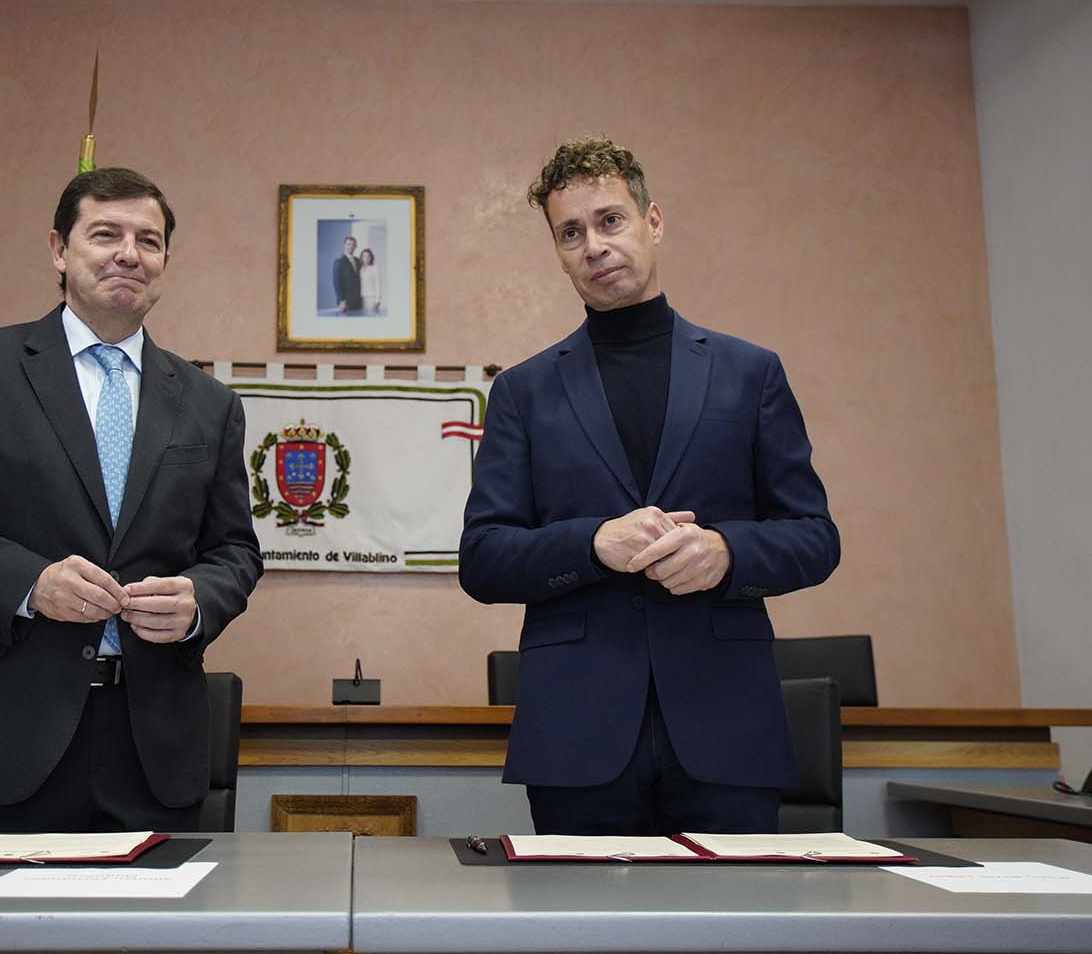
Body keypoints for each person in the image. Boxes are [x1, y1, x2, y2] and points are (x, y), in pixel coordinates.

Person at [459, 135, 840, 836]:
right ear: (558, 251)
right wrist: (592, 545)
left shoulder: (750, 373)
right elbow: (482, 559)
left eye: (610, 220)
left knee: (736, 911)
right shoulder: (521, 392)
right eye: (571, 233)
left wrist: (727, 552)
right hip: (576, 735)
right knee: (578, 913)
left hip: (728, 725)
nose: (594, 247)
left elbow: (815, 538)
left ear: (652, 221)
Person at [0, 167, 263, 833]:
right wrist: (31, 583)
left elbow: (234, 552)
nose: (129, 254)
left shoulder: (209, 404)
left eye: (148, 240)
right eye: (105, 234)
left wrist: (200, 600)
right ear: (58, 249)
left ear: (165, 262)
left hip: (151, 750)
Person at [332, 235, 362, 313]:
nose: (350, 247)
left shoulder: (358, 261)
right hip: (346, 301)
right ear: (344, 245)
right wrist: (341, 300)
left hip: (358, 300)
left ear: (355, 246)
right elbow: (336, 282)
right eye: (348, 244)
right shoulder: (339, 262)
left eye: (353, 245)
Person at [359, 247, 382, 314]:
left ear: (371, 258)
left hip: (371, 298)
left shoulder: (375, 268)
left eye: (368, 256)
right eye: (364, 256)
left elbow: (378, 284)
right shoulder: (360, 269)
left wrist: (377, 300)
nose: (366, 258)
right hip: (361, 298)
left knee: (371, 315)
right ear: (361, 258)